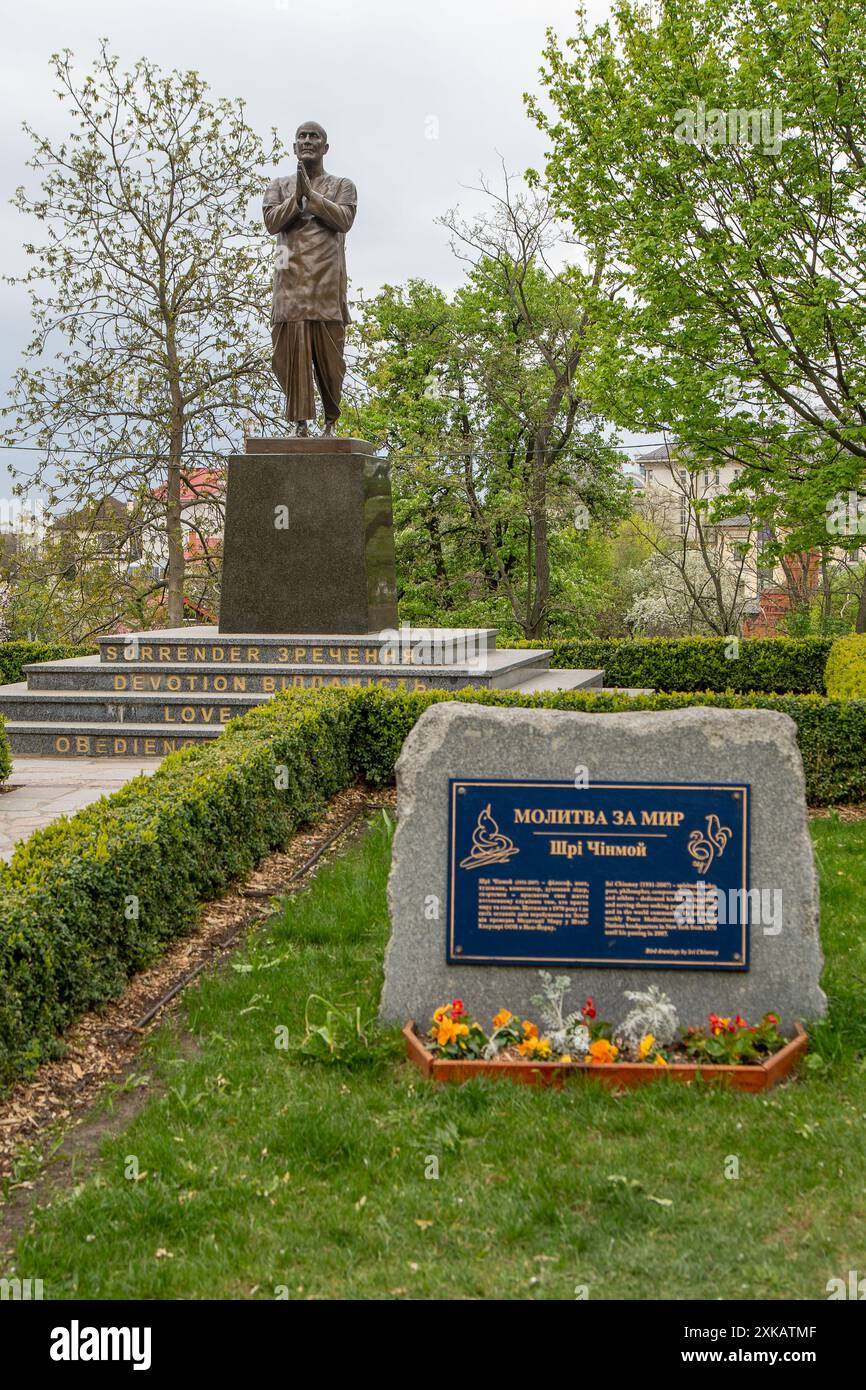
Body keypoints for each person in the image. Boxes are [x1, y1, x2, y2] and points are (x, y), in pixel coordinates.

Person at [263, 121, 357, 436]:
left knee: (332, 365)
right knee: (286, 360)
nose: (307, 140)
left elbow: (344, 219)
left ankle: (331, 422)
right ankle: (299, 424)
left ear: (325, 147)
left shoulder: (343, 185)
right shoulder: (278, 186)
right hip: (289, 289)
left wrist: (313, 199)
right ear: (293, 147)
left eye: (313, 136)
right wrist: (297, 198)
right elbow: (272, 223)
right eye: (301, 136)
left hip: (326, 287)